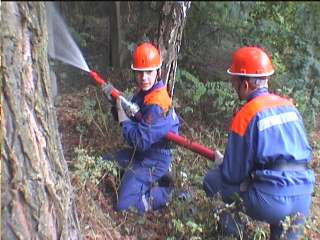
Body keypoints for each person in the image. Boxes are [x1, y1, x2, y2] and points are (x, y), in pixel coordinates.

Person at [203, 46, 315, 239]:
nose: (233, 85)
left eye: (234, 81)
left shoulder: (246, 115)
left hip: (271, 201)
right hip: (303, 197)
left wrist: (223, 163)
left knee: (213, 181)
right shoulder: (290, 107)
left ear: (245, 85)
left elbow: (232, 175)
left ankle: (235, 232)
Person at [103, 42, 179, 214]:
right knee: (105, 162)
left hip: (155, 159)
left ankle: (171, 194)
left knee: (124, 206)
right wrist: (116, 103)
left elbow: (140, 140)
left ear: (158, 72)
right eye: (139, 72)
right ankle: (148, 181)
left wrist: (123, 119)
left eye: (149, 72)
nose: (144, 77)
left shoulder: (157, 102)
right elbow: (132, 115)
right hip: (141, 155)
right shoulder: (143, 92)